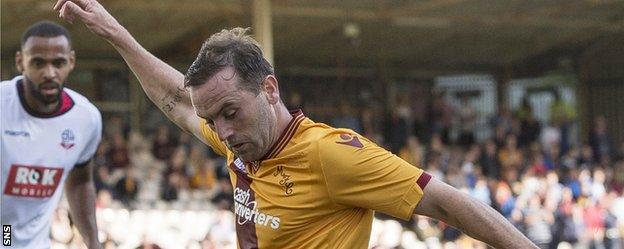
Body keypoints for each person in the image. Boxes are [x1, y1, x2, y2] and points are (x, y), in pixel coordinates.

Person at [55, 0, 537, 248]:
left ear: (269, 90)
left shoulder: (331, 154)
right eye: (212, 119)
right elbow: (175, 99)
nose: (221, 132)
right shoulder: (241, 143)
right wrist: (115, 33)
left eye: (229, 113)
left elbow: (447, 203)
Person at [1, 21, 102, 249]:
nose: (49, 73)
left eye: (58, 63)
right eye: (38, 63)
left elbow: (80, 182)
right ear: (21, 62)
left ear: (71, 62)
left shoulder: (86, 119)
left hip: (33, 240)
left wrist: (94, 243)